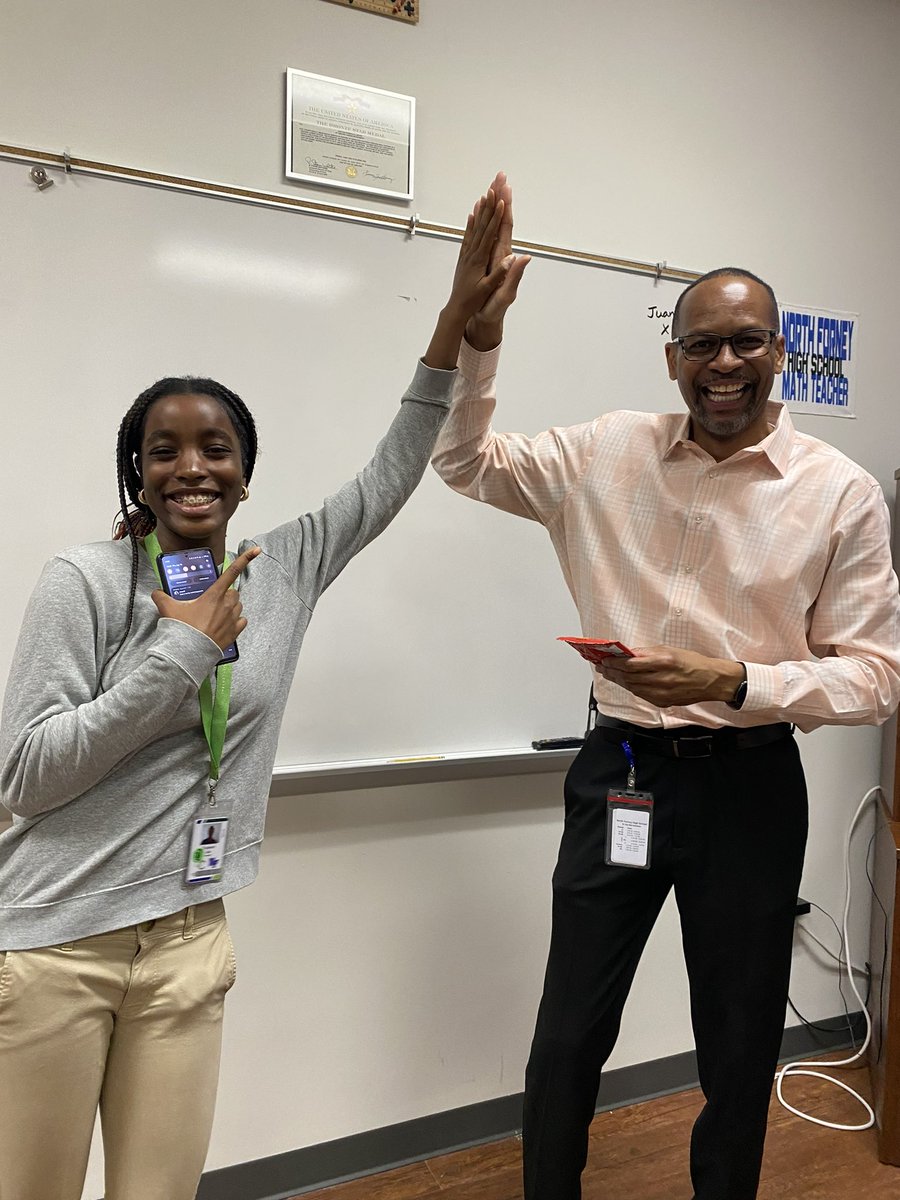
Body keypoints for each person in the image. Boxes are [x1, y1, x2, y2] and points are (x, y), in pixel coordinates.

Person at [0, 182, 516, 1200]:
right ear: (137, 475)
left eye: (214, 448)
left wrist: (455, 329)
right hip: (57, 944)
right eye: (163, 451)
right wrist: (179, 657)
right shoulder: (84, 582)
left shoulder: (287, 567)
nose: (190, 467)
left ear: (245, 472)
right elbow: (28, 776)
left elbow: (392, 468)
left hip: (191, 939)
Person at [432, 174, 900, 1200]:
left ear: (781, 353)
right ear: (672, 357)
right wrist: (475, 337)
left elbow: (875, 677)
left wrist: (734, 680)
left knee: (738, 1049)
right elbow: (459, 463)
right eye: (703, 343)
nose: (724, 363)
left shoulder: (841, 493)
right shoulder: (603, 453)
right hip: (622, 772)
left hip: (750, 787)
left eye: (746, 341)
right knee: (566, 1037)